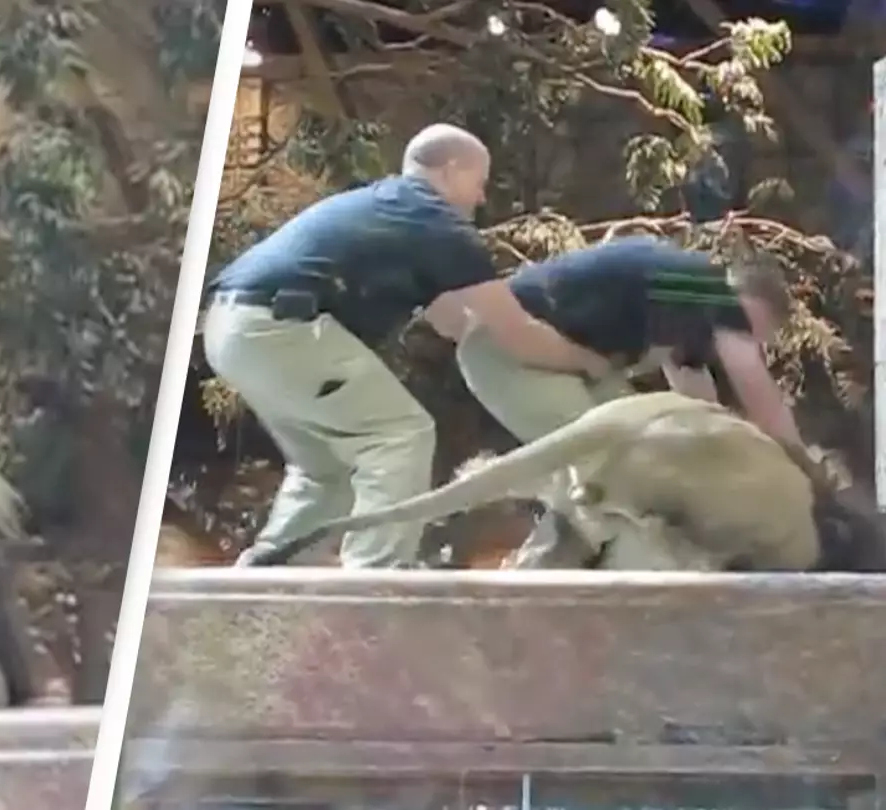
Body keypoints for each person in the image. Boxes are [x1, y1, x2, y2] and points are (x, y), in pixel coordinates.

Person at [202, 123, 614, 569]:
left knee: (326, 470)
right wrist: (587, 361)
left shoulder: (390, 210)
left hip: (231, 328)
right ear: (453, 170)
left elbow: (457, 322)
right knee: (400, 434)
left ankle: (267, 570)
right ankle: (376, 576)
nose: (480, 198)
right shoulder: (436, 223)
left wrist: (506, 342)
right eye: (480, 183)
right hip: (282, 329)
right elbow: (516, 334)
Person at [455, 234, 802, 564]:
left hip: (564, 358)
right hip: (505, 346)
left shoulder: (686, 309)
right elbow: (763, 400)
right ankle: (547, 568)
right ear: (750, 302)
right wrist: (805, 473)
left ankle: (567, 561)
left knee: (644, 444)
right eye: (760, 332)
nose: (753, 342)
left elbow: (699, 410)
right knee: (609, 461)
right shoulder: (708, 288)